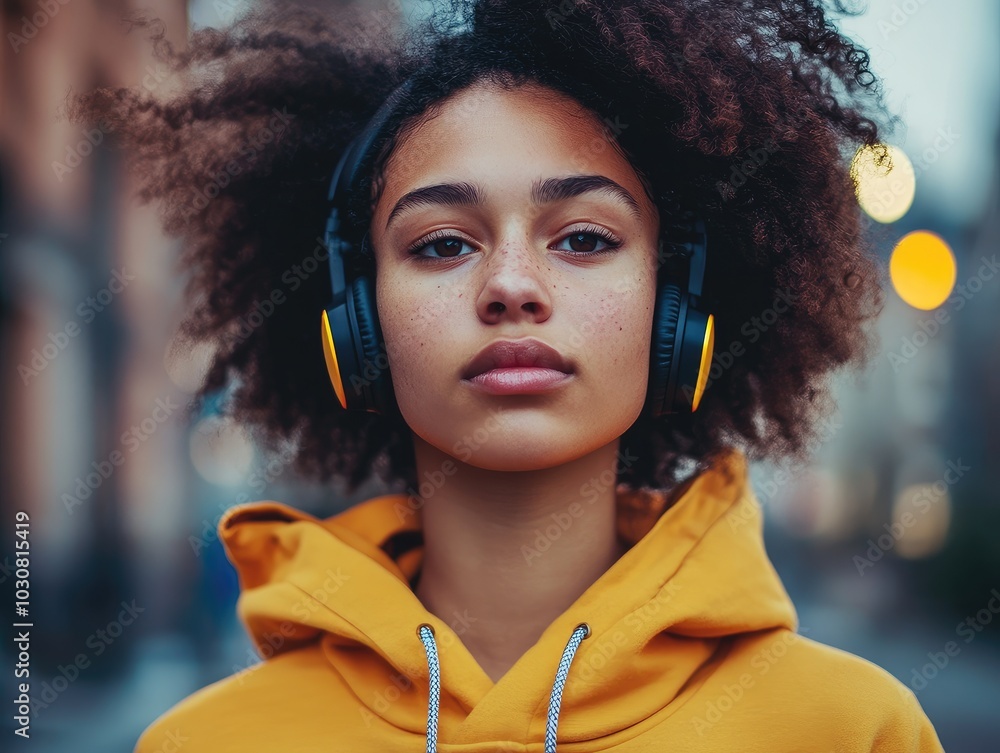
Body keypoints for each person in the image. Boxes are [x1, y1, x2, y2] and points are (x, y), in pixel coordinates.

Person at [67, 0, 946, 750]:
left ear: (673, 311)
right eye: (443, 243)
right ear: (355, 323)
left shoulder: (856, 730)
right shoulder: (205, 744)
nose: (514, 286)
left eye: (585, 238)